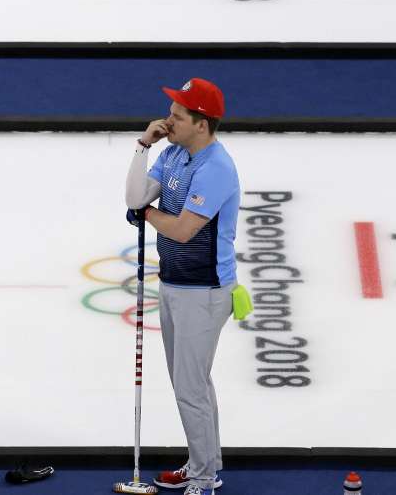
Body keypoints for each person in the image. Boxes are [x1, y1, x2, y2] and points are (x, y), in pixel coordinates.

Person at [124, 77, 241, 495]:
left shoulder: (216, 169)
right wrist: (143, 145)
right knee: (192, 384)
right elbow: (134, 196)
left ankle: (205, 478)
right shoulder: (173, 153)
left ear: (202, 124)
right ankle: (202, 464)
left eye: (177, 116)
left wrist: (147, 216)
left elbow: (183, 231)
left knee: (191, 389)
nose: (167, 120)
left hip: (205, 292)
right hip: (174, 284)